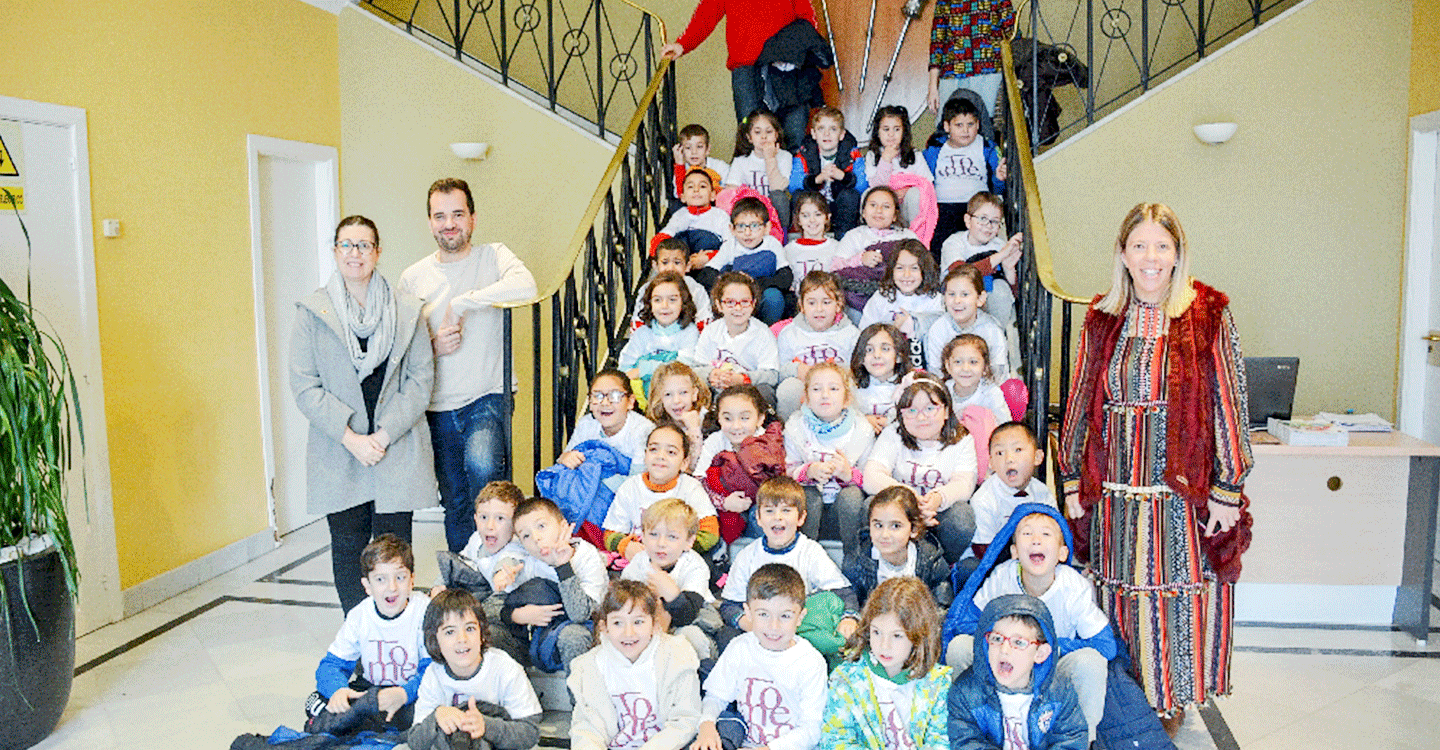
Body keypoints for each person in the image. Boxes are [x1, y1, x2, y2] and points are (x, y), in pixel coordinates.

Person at [1057, 202, 1253, 730]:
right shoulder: (1102, 316)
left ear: (1177, 253)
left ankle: (1167, 703)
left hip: (1179, 495)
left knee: (1174, 603)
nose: (1150, 258)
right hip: (1116, 494)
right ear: (1122, 253)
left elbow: (1229, 402)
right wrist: (1072, 476)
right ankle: (1126, 706)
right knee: (1117, 601)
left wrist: (1227, 489)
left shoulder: (1208, 313)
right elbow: (1079, 400)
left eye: (1161, 246)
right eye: (1139, 246)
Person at [291, 215, 435, 612]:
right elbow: (305, 386)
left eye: (364, 245)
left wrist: (384, 436)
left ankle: (396, 636)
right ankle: (360, 643)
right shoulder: (312, 312)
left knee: (394, 554)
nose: (355, 254)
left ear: (378, 251)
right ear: (335, 251)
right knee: (349, 549)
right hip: (339, 449)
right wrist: (352, 439)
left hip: (395, 448)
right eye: (346, 245)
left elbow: (421, 381)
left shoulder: (407, 311)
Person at [399, 178, 538, 553]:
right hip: (436, 406)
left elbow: (527, 287)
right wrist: (432, 346)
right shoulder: (413, 277)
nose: (449, 224)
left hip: (488, 395)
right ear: (429, 222)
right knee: (455, 500)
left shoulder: (493, 257)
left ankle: (501, 573)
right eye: (440, 216)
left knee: (486, 485)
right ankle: (468, 579)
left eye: (457, 214)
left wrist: (463, 302)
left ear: (472, 219)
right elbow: (402, 349)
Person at [945, 507, 1115, 742]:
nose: (1036, 540)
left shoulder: (1073, 586)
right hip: (1003, 661)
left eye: (1046, 535)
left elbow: (1106, 646)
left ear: (1063, 553)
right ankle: (972, 726)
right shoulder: (1003, 577)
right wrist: (1002, 643)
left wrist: (1050, 648)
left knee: (1091, 661)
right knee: (959, 646)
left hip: (1050, 668)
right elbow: (966, 623)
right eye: (1026, 534)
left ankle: (1081, 741)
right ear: (1014, 551)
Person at [718, 477, 860, 656]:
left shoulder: (810, 551)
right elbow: (729, 605)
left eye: (786, 510)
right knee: (726, 638)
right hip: (760, 630)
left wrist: (849, 618)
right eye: (769, 511)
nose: (778, 517)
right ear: (758, 518)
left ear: (801, 518)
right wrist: (751, 626)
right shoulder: (747, 556)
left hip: (799, 630)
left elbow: (843, 592)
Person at [691, 563, 827, 750]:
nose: (773, 626)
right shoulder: (740, 648)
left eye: (785, 616)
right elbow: (716, 696)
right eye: (763, 614)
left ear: (801, 617)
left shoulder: (810, 662)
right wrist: (706, 725)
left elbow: (812, 728)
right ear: (748, 613)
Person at [305, 535, 430, 736]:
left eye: (400, 577)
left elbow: (434, 668)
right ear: (367, 586)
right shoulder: (359, 616)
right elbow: (331, 665)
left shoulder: (425, 611)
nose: (392, 587)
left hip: (411, 693)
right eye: (381, 579)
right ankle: (372, 723)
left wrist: (405, 693)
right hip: (371, 690)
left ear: (412, 580)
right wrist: (339, 691)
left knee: (429, 710)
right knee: (315, 701)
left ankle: (365, 724)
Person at [818, 577, 953, 750]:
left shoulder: (939, 683)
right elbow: (835, 739)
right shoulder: (845, 679)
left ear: (919, 635)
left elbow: (942, 742)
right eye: (877, 632)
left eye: (897, 635)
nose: (884, 645)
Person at [567, 580, 703, 750]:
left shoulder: (676, 656)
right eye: (617, 623)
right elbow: (586, 729)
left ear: (654, 624)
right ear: (604, 627)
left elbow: (685, 719)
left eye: (638, 622)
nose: (628, 633)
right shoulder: (589, 667)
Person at [660, 0, 819, 141]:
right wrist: (683, 45)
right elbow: (707, 13)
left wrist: (803, 52)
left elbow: (807, 17)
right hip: (746, 68)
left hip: (788, 67)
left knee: (794, 135)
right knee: (749, 137)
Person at [946, 594, 1088, 750]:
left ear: (1040, 653)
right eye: (997, 639)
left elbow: (1071, 740)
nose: (1004, 650)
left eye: (1019, 642)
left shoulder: (1060, 691)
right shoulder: (964, 693)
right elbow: (964, 743)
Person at [407, 589, 543, 750]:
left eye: (470, 629)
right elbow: (415, 741)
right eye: (450, 632)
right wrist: (436, 718)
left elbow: (530, 733)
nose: (462, 639)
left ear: (482, 633)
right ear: (434, 640)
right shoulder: (434, 674)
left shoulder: (505, 668)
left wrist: (487, 726)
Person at [862, 377, 977, 563]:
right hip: (900, 511)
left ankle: (939, 569)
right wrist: (908, 497)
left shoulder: (963, 439)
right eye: (912, 410)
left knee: (961, 517)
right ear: (901, 414)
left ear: (946, 411)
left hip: (938, 512)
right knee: (871, 506)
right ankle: (883, 566)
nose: (921, 417)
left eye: (930, 409)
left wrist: (938, 498)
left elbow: (964, 483)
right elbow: (871, 475)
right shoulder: (893, 433)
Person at [432, 480, 533, 664]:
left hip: (508, 636)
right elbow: (459, 563)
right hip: (478, 620)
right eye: (484, 517)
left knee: (480, 635)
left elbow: (507, 564)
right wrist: (439, 586)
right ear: (475, 518)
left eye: (500, 518)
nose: (490, 526)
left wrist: (501, 576)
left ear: (516, 525)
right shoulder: (476, 540)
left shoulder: (517, 548)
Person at [505, 497, 609, 672]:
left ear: (563, 527)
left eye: (541, 526)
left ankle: (580, 698)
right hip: (547, 634)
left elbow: (580, 615)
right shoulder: (529, 563)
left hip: (592, 627)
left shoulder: (587, 556)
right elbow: (494, 609)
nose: (536, 538)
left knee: (572, 636)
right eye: (526, 535)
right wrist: (516, 615)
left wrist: (563, 566)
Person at [783, 362, 873, 548]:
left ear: (847, 398)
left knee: (852, 496)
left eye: (833, 388)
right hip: (811, 513)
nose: (825, 395)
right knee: (806, 494)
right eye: (816, 389)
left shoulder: (862, 430)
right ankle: (802, 553)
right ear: (806, 398)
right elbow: (787, 470)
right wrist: (808, 472)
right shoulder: (795, 427)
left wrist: (848, 474)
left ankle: (854, 556)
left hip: (845, 514)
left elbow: (872, 478)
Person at [621, 498, 724, 659]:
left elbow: (687, 615)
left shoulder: (694, 565)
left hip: (692, 620)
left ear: (689, 541)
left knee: (690, 637)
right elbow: (624, 603)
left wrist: (671, 593)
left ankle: (703, 675)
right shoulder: (639, 562)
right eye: (653, 534)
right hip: (649, 622)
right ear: (643, 536)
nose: (661, 543)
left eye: (672, 537)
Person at [603, 424, 720, 559]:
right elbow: (610, 533)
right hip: (638, 557)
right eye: (653, 449)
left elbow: (710, 533)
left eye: (671, 452)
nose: (660, 456)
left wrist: (675, 548)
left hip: (679, 559)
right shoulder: (630, 488)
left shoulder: (690, 488)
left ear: (684, 462)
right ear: (645, 455)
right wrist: (625, 546)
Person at [693, 384, 785, 545]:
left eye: (744, 418)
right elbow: (698, 480)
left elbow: (782, 481)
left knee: (760, 514)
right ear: (719, 418)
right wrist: (724, 502)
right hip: (727, 503)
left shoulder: (768, 441)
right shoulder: (716, 440)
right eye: (728, 418)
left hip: (762, 503)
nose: (736, 426)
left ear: (760, 418)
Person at [841, 487, 952, 608]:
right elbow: (851, 602)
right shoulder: (856, 562)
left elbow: (942, 605)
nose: (885, 535)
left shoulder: (930, 560)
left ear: (914, 529)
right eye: (878, 525)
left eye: (895, 526)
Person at [923, 98, 1007, 253]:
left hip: (976, 207)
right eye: (959, 125)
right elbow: (922, 177)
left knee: (977, 246)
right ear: (947, 126)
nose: (965, 130)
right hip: (943, 206)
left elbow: (998, 187)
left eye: (971, 124)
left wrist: (999, 179)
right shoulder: (935, 148)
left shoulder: (986, 146)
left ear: (978, 125)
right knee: (939, 245)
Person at [682, 272, 780, 403]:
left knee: (765, 391)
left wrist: (743, 379)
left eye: (745, 302)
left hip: (748, 391)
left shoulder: (763, 333)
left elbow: (772, 375)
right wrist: (711, 374)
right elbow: (696, 368)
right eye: (730, 302)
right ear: (719, 305)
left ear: (754, 303)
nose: (738, 308)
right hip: (717, 388)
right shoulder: (711, 331)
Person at [775, 271, 860, 418]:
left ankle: (849, 427)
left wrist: (835, 373)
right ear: (801, 305)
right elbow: (779, 369)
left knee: (853, 389)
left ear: (838, 305)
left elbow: (857, 369)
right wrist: (797, 369)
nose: (819, 309)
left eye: (826, 302)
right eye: (811, 302)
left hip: (836, 385)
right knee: (787, 389)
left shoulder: (851, 333)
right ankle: (786, 430)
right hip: (804, 384)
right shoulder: (789, 333)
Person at [700, 197, 792, 324]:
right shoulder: (730, 245)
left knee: (774, 297)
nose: (747, 233)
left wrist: (755, 283)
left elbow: (785, 277)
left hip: (761, 293)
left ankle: (766, 330)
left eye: (755, 226)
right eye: (741, 226)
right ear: (732, 229)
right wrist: (732, 281)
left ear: (767, 228)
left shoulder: (772, 244)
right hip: (736, 296)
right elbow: (707, 273)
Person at [969, 422, 1053, 560]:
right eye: (1000, 453)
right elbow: (982, 550)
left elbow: (1053, 534)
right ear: (991, 463)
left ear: (1037, 457)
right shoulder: (984, 499)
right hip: (991, 560)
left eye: (1018, 450)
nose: (1009, 459)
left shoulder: (1043, 494)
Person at [859, 239, 946, 369]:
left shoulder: (935, 300)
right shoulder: (882, 298)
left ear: (924, 270)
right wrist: (893, 331)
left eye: (914, 268)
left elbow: (941, 338)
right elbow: (864, 336)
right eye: (900, 268)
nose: (906, 275)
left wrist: (915, 323)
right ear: (891, 270)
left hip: (925, 365)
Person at [926, 0, 1015, 121]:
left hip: (989, 73)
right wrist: (932, 86)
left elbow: (1012, 34)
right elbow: (937, 41)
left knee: (988, 127)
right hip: (952, 74)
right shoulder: (944, 2)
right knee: (948, 128)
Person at [619, 273, 703, 399]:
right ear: (649, 304)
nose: (665, 306)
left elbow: (683, 368)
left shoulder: (689, 332)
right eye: (657, 300)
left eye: (672, 300)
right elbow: (625, 367)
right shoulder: (642, 333)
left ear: (683, 303)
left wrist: (644, 369)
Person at [788, 107, 867, 235]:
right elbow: (793, 185)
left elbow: (862, 185)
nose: (826, 134)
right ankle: (803, 237)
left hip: (839, 207)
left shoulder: (852, 153)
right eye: (821, 129)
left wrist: (843, 177)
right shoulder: (804, 152)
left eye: (833, 129)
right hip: (814, 208)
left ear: (842, 135)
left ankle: (843, 238)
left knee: (851, 195)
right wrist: (817, 179)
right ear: (813, 134)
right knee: (799, 195)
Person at [925, 263, 1009, 379]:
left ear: (980, 299)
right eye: (951, 294)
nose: (957, 300)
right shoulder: (938, 329)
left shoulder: (992, 330)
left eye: (965, 294)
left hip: (985, 391)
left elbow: (999, 375)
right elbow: (936, 374)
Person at [863, 106, 934, 225]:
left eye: (896, 129)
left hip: (908, 208)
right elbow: (876, 187)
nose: (891, 134)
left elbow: (928, 184)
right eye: (886, 129)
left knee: (915, 194)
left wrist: (908, 189)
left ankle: (915, 238)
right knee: (867, 195)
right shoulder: (872, 156)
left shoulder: (915, 155)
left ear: (903, 132)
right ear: (878, 133)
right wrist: (886, 160)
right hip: (883, 208)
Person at [646, 361, 712, 472]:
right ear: (660, 398)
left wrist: (694, 430)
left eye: (683, 392)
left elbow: (696, 469)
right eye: (668, 394)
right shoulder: (658, 427)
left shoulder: (711, 422)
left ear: (694, 394)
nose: (676, 400)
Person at [850, 323, 914, 433]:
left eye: (885, 349)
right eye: (869, 350)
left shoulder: (910, 386)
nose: (877, 355)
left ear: (898, 356)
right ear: (861, 358)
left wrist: (892, 423)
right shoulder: (851, 388)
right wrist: (863, 421)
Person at [637, 239, 713, 330]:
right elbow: (638, 324)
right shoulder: (646, 289)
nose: (671, 268)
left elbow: (704, 323)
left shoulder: (696, 290)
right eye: (665, 262)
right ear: (655, 266)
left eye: (677, 262)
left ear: (688, 266)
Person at [941, 334, 1011, 427]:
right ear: (948, 366)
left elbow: (1005, 428)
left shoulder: (991, 394)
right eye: (958, 362)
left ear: (985, 367)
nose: (965, 368)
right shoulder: (943, 391)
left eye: (973, 362)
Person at [783, 191, 841, 288]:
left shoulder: (838, 248)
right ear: (798, 219)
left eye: (818, 214)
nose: (812, 220)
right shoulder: (788, 250)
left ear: (827, 217)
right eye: (805, 215)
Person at [672, 123, 731, 196]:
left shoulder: (721, 167)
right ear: (681, 150)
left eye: (699, 147)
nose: (694, 152)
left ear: (708, 149)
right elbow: (680, 195)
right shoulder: (681, 170)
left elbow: (730, 193)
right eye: (688, 148)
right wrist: (679, 164)